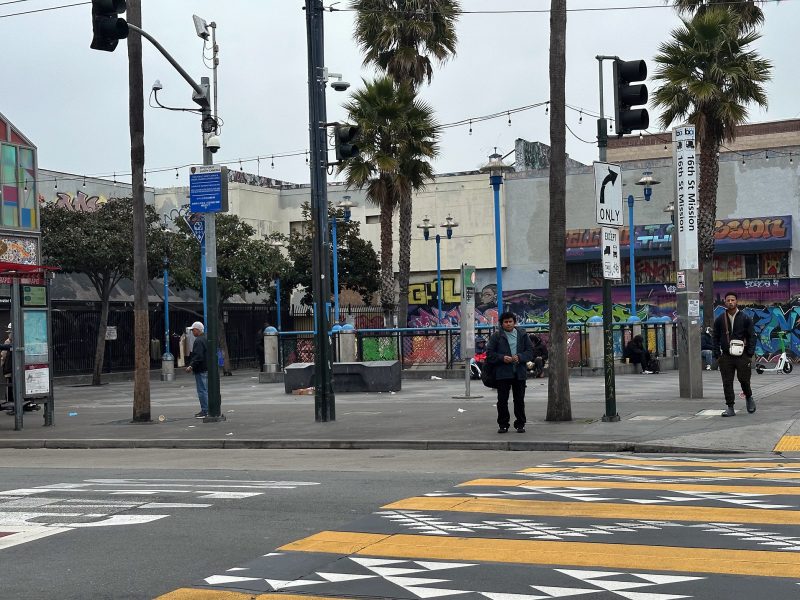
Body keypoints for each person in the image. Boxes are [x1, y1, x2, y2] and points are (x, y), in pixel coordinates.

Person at [486, 312, 533, 434]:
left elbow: (530, 351)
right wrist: (502, 358)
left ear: (514, 322)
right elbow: (490, 354)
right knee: (502, 401)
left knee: (519, 400)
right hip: (502, 373)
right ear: (502, 323)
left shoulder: (522, 334)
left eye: (510, 321)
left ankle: (520, 424)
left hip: (519, 373)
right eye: (505, 322)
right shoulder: (497, 336)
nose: (508, 324)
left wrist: (520, 357)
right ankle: (503, 424)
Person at [713, 292, 756, 417]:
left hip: (742, 355)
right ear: (725, 302)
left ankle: (749, 397)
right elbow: (715, 337)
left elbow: (752, 336)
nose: (730, 302)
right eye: (728, 300)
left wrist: (749, 353)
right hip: (726, 355)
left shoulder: (745, 318)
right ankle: (730, 407)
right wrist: (717, 355)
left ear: (736, 301)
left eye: (732, 300)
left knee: (744, 379)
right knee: (727, 381)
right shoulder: (720, 319)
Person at [185, 321, 209, 418]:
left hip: (200, 368)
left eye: (193, 330)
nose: (192, 332)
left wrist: (191, 366)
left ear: (197, 330)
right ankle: (207, 409)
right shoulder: (206, 338)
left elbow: (198, 356)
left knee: (202, 390)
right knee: (205, 390)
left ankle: (205, 410)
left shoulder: (198, 341)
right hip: (206, 367)